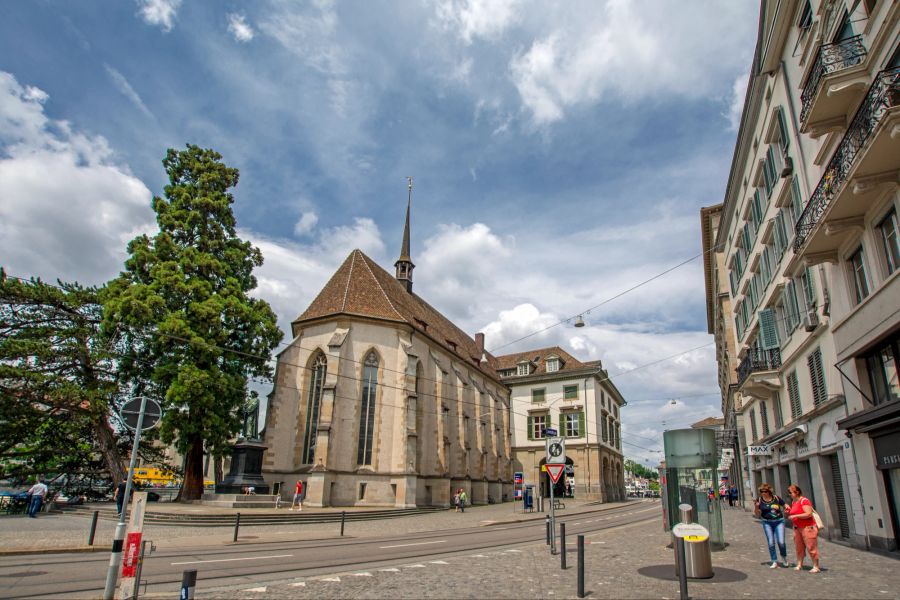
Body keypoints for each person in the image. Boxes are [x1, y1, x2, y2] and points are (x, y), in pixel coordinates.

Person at [786, 484, 820, 573]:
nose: (789, 494)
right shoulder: (794, 502)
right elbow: (794, 513)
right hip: (797, 528)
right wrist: (788, 512)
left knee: (811, 547)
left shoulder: (804, 501)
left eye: (790, 492)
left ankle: (816, 566)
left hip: (807, 528)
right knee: (799, 547)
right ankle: (799, 564)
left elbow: (808, 513)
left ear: (797, 492)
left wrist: (795, 515)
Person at [754, 483, 789, 568]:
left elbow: (785, 506)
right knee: (771, 542)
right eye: (761, 491)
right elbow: (757, 513)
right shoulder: (759, 500)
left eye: (765, 491)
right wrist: (756, 507)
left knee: (781, 542)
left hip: (779, 521)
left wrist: (787, 509)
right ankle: (774, 561)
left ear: (769, 491)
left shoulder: (776, 498)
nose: (763, 493)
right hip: (767, 522)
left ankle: (783, 557)